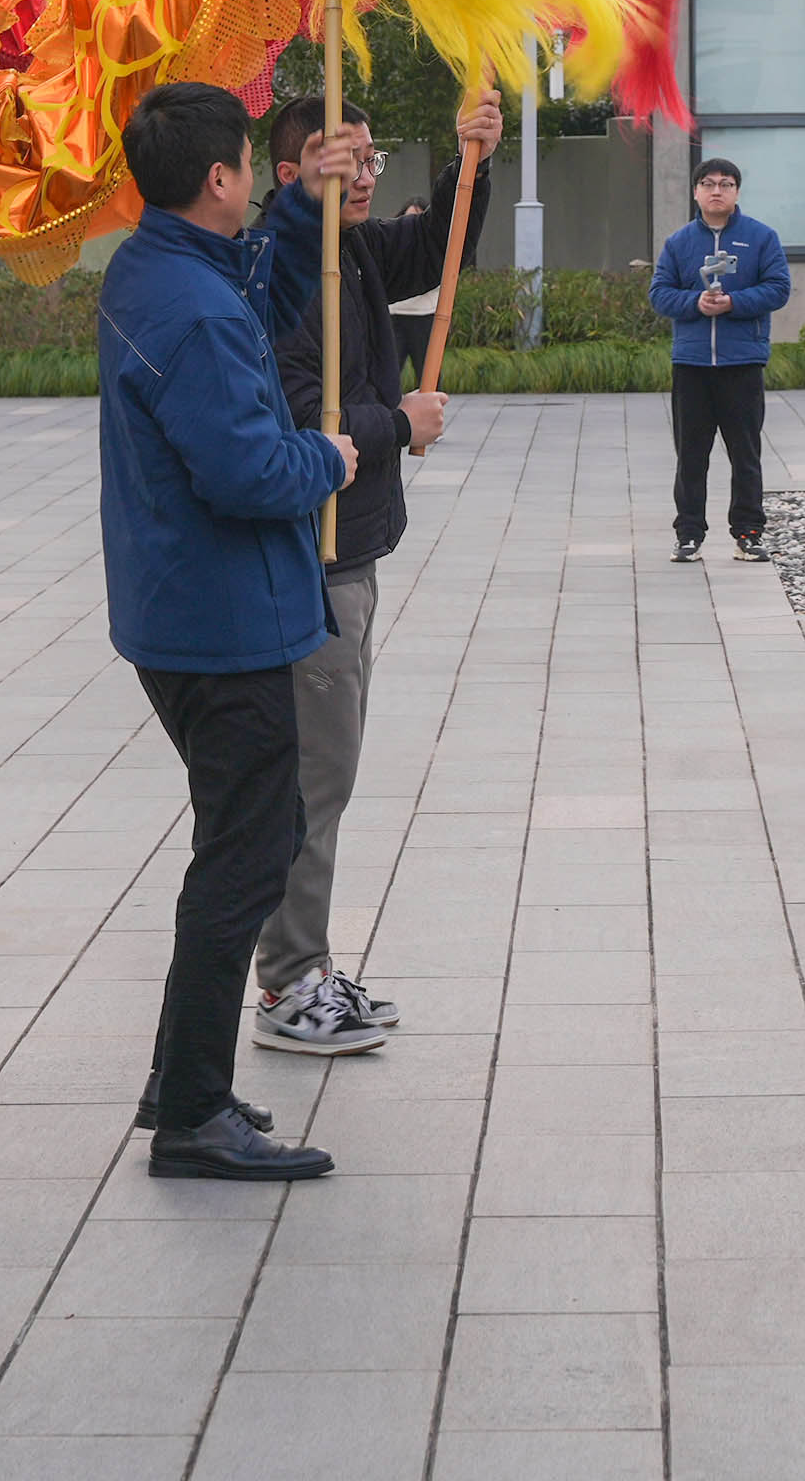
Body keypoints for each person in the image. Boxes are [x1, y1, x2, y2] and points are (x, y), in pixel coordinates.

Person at [97, 80, 353, 1181]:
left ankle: (179, 1079)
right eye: (256, 167)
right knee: (244, 859)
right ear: (219, 178)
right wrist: (333, 459)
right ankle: (194, 1112)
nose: (258, 178)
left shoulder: (164, 268)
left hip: (195, 608)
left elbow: (270, 296)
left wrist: (309, 206)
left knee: (242, 845)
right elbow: (247, 468)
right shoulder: (191, 311)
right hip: (220, 619)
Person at [248, 91, 500, 1061]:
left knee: (328, 770)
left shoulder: (343, 247)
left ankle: (304, 963)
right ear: (285, 174)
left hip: (349, 546)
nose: (361, 175)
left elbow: (435, 249)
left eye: (367, 158)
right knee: (316, 774)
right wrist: (401, 422)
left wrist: (470, 162)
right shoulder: (284, 273)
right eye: (339, 159)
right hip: (311, 553)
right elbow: (304, 414)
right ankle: (289, 981)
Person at [650, 157, 789, 560]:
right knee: (691, 454)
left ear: (736, 192)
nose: (717, 190)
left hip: (742, 362)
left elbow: (778, 288)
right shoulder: (679, 243)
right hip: (692, 364)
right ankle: (689, 534)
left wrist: (733, 302)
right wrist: (696, 302)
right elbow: (659, 294)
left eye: (726, 184)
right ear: (695, 191)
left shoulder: (761, 238)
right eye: (708, 183)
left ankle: (748, 533)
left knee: (745, 453)